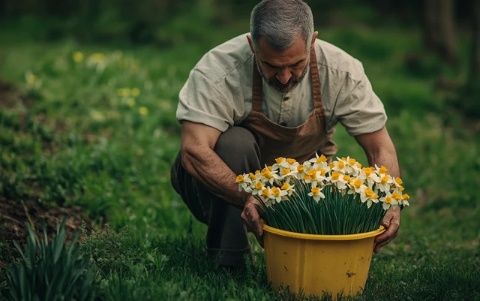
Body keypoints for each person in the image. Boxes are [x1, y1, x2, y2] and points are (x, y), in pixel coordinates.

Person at [171, 0, 401, 269]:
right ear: (251, 45)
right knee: (234, 143)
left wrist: (390, 201)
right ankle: (229, 261)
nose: (283, 77)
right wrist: (250, 196)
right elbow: (194, 150)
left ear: (312, 41)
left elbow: (379, 147)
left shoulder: (342, 71)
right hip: (224, 188)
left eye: (295, 64)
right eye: (271, 66)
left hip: (303, 193)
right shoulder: (218, 70)